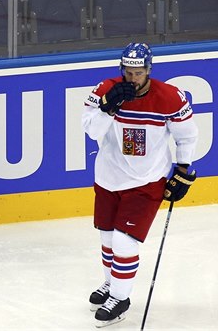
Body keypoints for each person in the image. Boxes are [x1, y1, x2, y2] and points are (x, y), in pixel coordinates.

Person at [81, 42, 198, 327]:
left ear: (148, 70)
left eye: (138, 73)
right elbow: (92, 131)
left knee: (123, 241)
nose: (132, 78)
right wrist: (108, 108)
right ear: (121, 70)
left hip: (146, 182)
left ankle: (120, 299)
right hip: (108, 177)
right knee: (107, 238)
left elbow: (187, 135)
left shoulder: (169, 97)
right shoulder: (105, 90)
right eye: (128, 72)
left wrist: (182, 168)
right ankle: (111, 284)